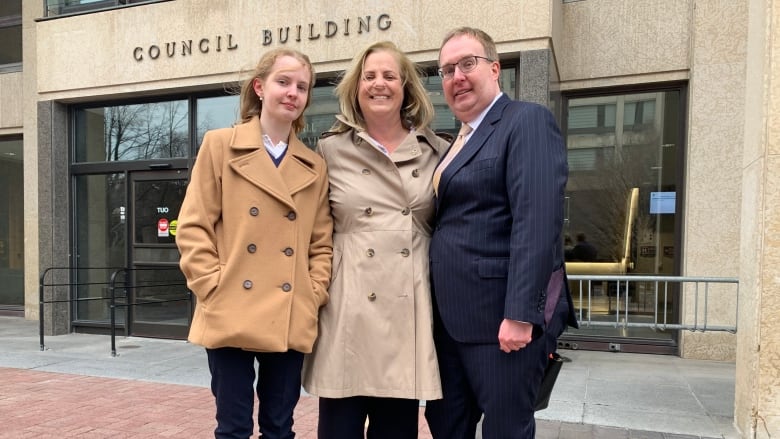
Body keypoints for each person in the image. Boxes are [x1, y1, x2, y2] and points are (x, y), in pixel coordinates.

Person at [424, 27, 579, 438]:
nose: (457, 76)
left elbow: (537, 221)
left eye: (467, 63)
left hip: (502, 325)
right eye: (447, 69)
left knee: (506, 431)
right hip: (450, 323)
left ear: (495, 69)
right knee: (446, 427)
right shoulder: (456, 141)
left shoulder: (525, 121)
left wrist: (522, 313)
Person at [175, 48, 333, 439]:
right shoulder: (219, 145)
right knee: (232, 427)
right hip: (231, 305)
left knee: (280, 427)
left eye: (302, 86)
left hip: (289, 308)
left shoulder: (313, 166)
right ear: (260, 87)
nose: (292, 93)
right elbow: (194, 227)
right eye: (283, 82)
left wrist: (311, 293)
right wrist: (211, 286)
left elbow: (321, 243)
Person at [302, 40, 446, 438]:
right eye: (369, 76)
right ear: (356, 87)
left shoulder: (436, 151)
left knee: (396, 431)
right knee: (339, 430)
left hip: (406, 311)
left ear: (405, 88)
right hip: (348, 308)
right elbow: (311, 233)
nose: (378, 84)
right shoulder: (329, 151)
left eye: (389, 76)